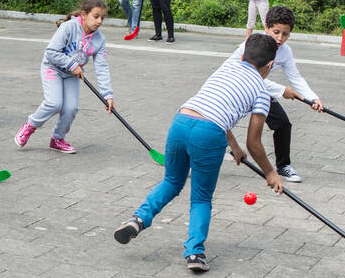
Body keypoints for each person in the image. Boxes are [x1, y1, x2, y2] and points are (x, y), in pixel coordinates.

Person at [113, 33, 287, 272]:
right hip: (208, 133)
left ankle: (138, 219)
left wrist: (234, 147)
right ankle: (194, 253)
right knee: (201, 197)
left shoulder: (226, 68)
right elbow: (254, 142)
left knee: (172, 181)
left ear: (244, 54)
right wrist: (270, 173)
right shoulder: (261, 91)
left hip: (181, 121)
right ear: (270, 65)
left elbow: (214, 106)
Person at [226, 6, 323, 183]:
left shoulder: (286, 51)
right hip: (237, 90)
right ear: (266, 27)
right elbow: (247, 75)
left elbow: (296, 78)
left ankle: (284, 167)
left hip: (260, 92)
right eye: (276, 32)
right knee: (218, 127)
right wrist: (282, 91)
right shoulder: (250, 45)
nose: (280, 38)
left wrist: (313, 99)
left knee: (283, 124)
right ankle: (192, 161)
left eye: (285, 34)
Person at [14, 0, 114, 154]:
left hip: (71, 74)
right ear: (84, 14)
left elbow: (102, 67)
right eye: (96, 16)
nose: (99, 21)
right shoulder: (69, 27)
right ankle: (30, 126)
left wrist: (107, 94)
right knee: (54, 103)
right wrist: (71, 64)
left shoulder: (99, 39)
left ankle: (57, 139)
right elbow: (51, 52)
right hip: (52, 68)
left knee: (71, 108)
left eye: (102, 17)